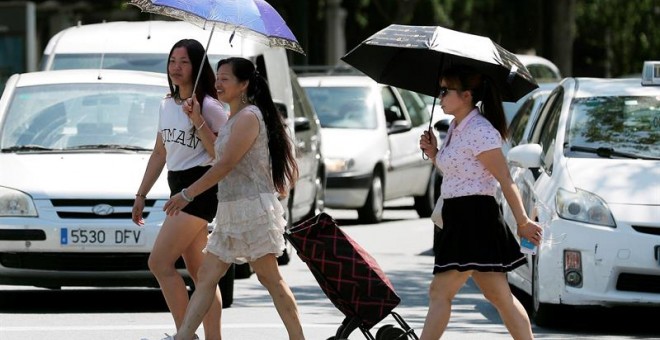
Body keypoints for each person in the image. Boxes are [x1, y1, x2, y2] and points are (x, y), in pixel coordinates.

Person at [161, 57, 305, 340]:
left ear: (244, 85)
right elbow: (217, 153)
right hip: (230, 210)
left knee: (270, 279)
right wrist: (198, 120)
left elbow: (224, 164)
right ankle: (184, 336)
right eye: (218, 77)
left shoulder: (250, 117)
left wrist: (187, 194)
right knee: (206, 278)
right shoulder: (233, 118)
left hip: (251, 210)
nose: (217, 83)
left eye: (225, 78)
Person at [418, 65, 543, 340]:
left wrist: (522, 221)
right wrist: (435, 152)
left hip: (474, 217)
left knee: (440, 292)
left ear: (466, 96)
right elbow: (458, 171)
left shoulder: (480, 130)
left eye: (445, 90)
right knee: (498, 295)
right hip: (459, 216)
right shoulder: (456, 127)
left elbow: (505, 178)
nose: (440, 96)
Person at [132, 39, 228, 340]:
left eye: (184, 61)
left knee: (159, 262)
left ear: (197, 66)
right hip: (177, 187)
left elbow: (222, 156)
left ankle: (185, 334)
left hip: (200, 191)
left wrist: (198, 118)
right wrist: (141, 194)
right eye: (172, 60)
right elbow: (160, 153)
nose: (176, 67)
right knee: (203, 275)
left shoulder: (211, 106)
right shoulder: (166, 104)